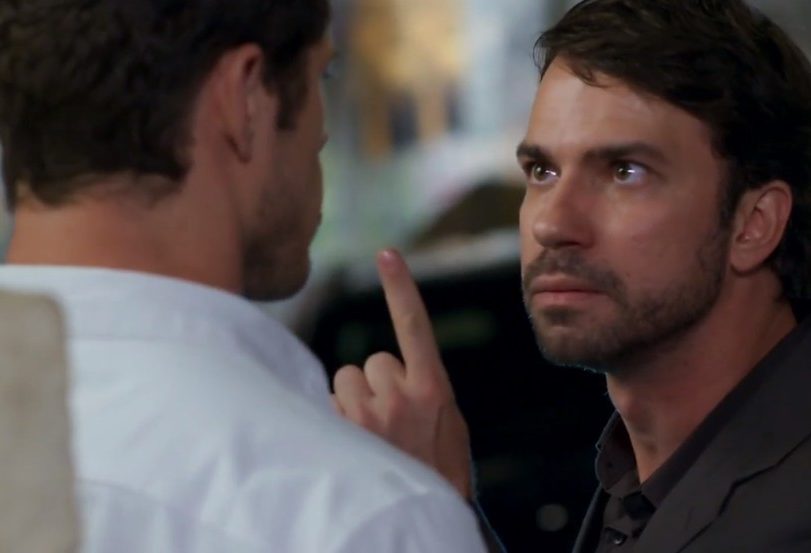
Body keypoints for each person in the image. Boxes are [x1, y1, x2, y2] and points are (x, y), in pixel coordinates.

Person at [0, 1, 490, 552]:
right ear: (245, 98)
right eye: (322, 75)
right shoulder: (352, 512)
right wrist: (426, 503)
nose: (322, 133)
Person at [333, 1, 811, 551]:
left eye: (625, 172)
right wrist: (445, 507)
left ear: (755, 223)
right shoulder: (648, 474)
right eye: (543, 171)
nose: (552, 224)